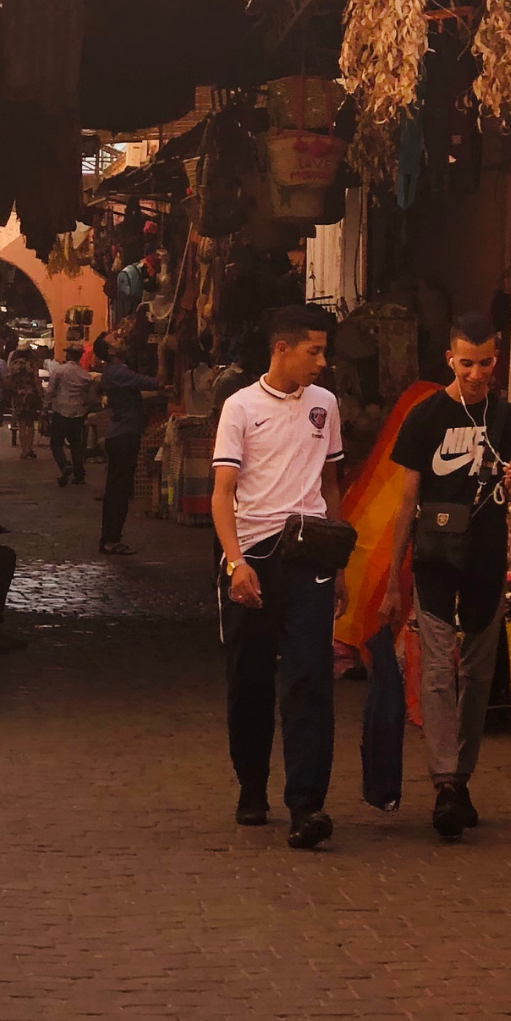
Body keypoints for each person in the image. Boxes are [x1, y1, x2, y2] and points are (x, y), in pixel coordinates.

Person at [382, 312, 511, 840]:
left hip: (488, 560)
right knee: (438, 673)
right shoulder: (424, 417)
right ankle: (444, 783)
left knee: (477, 674)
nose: (476, 374)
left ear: (497, 359)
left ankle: (461, 777)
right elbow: (406, 504)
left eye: (486, 363)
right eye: (466, 363)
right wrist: (389, 581)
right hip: (433, 559)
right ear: (450, 358)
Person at [210, 304, 344, 850]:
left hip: (311, 553)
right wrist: (235, 561)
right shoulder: (239, 407)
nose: (323, 361)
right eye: (314, 350)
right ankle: (251, 785)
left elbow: (331, 484)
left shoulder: (326, 406)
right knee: (250, 677)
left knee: (311, 677)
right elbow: (223, 494)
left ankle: (306, 804)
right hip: (255, 556)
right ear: (282, 349)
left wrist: (340, 559)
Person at [94, 333, 157, 554]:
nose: (121, 338)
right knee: (118, 491)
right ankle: (111, 539)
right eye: (114, 339)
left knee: (117, 489)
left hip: (121, 433)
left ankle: (110, 537)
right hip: (124, 434)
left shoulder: (117, 371)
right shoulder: (118, 371)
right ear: (110, 351)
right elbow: (150, 382)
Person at [45, 341, 99, 486]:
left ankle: (64, 465)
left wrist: (46, 405)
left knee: (56, 442)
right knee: (76, 444)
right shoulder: (85, 375)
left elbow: (50, 391)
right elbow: (90, 397)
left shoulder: (60, 371)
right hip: (78, 413)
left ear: (68, 354)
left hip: (61, 410)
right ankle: (79, 474)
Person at [5, 344, 43, 461]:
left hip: (18, 395)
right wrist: (41, 394)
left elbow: (10, 380)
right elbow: (36, 379)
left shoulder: (13, 364)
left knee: (21, 423)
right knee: (30, 423)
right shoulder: (32, 364)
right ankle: (30, 448)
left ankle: (24, 450)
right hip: (31, 395)